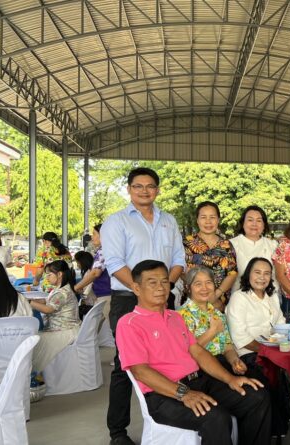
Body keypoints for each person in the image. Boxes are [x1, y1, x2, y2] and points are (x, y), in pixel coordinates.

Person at [116, 260, 271, 444]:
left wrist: (230, 379)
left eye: (165, 281)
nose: (161, 288)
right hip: (164, 394)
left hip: (198, 381)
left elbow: (198, 352)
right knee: (216, 418)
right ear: (136, 288)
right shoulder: (129, 323)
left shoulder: (175, 317)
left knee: (256, 397)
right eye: (152, 282)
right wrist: (184, 393)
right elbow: (140, 371)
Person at [101, 167, 186, 445]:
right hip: (128, 299)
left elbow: (178, 259)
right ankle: (118, 432)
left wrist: (163, 288)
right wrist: (141, 291)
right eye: (138, 186)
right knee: (125, 365)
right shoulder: (116, 222)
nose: (144, 191)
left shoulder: (169, 221)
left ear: (157, 190)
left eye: (150, 186)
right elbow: (115, 263)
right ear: (129, 189)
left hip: (164, 299)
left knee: (169, 357)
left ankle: (172, 415)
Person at [226, 257, 290, 437]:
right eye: (257, 272)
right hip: (248, 355)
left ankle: (280, 427)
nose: (262, 277)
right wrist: (269, 350)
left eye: (267, 273)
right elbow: (241, 338)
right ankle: (272, 429)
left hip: (272, 351)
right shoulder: (240, 298)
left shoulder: (272, 296)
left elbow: (281, 323)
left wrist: (284, 341)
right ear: (248, 274)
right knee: (268, 379)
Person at [178, 267, 247, 376]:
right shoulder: (180, 315)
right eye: (198, 284)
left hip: (222, 365)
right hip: (200, 370)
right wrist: (213, 331)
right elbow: (185, 352)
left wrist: (234, 361)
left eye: (208, 282)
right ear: (188, 287)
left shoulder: (218, 314)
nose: (204, 288)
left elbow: (227, 347)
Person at [184, 201, 238, 310]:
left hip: (220, 303)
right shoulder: (187, 243)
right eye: (203, 217)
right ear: (197, 220)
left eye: (212, 217)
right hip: (194, 303)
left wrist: (216, 296)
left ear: (218, 220)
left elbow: (232, 273)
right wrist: (204, 296)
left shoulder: (226, 244)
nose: (208, 221)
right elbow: (183, 272)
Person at [30, 260, 81, 371]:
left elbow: (48, 309)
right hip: (67, 328)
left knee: (32, 341)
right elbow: (47, 301)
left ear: (59, 274)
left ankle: (37, 373)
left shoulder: (62, 292)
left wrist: (30, 302)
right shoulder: (61, 288)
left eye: (49, 274)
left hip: (65, 331)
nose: (47, 277)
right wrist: (32, 300)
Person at [230, 205, 278, 294]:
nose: (254, 224)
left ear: (264, 224)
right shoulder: (232, 245)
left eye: (259, 220)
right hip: (240, 296)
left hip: (270, 296)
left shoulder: (273, 245)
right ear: (243, 223)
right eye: (250, 220)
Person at [73, 224, 112, 323]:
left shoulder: (104, 250)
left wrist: (77, 287)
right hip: (105, 294)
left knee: (104, 328)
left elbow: (95, 273)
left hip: (106, 294)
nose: (91, 237)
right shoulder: (107, 249)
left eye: (94, 234)